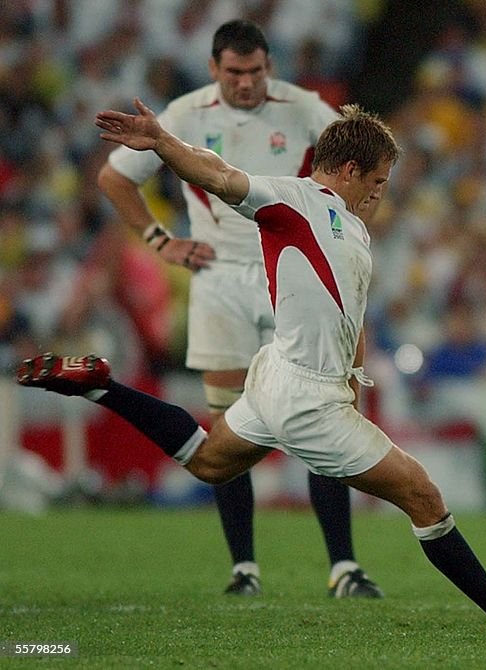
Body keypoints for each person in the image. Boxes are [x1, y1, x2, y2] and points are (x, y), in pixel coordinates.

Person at [18, 99, 486, 641]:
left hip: (280, 375)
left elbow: (350, 312)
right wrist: (163, 143)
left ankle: (100, 387)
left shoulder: (350, 227)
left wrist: (352, 374)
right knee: (422, 495)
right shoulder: (294, 198)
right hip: (305, 395)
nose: (380, 192)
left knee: (209, 461)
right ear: (349, 170)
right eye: (376, 180)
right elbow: (219, 174)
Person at [97, 20, 379, 598]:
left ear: (268, 66)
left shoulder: (303, 108)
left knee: (323, 411)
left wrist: (343, 235)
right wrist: (159, 240)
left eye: (255, 71)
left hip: (292, 272)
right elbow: (113, 178)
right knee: (226, 425)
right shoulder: (182, 114)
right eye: (234, 72)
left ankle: (343, 566)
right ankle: (244, 568)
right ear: (213, 69)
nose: (246, 83)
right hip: (220, 275)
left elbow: (364, 164)